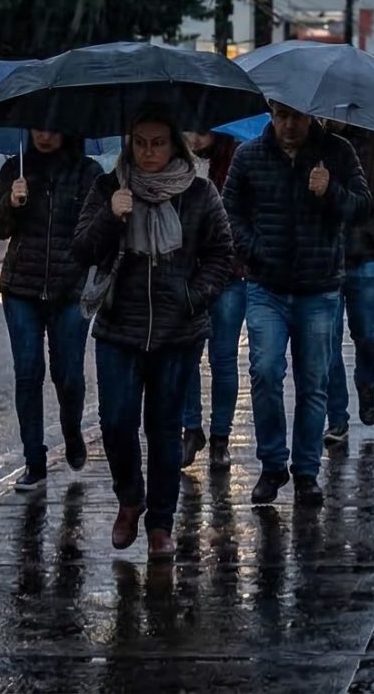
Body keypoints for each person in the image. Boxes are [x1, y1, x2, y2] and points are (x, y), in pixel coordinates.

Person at [72, 110, 236, 557]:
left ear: (174, 145)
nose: (148, 152)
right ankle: (130, 498)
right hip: (118, 329)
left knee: (165, 429)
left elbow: (222, 253)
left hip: (177, 332)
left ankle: (161, 524)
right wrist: (111, 215)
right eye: (140, 143)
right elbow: (82, 248)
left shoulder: (200, 193)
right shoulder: (110, 187)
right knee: (116, 422)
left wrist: (193, 297)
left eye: (158, 143)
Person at [223, 100, 368, 507]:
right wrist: (253, 249)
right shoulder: (249, 155)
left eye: (297, 117)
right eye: (282, 116)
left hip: (318, 288)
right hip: (266, 286)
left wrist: (330, 191)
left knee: (313, 383)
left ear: (312, 117)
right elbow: (229, 210)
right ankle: (272, 465)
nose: (289, 125)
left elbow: (361, 206)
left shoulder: (337, 152)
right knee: (265, 372)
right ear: (271, 114)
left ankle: (306, 472)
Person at [0, 127, 94, 490]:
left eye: (53, 129)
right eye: (37, 128)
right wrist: (11, 203)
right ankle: (34, 460)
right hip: (22, 288)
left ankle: (72, 430)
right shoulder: (14, 169)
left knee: (69, 375)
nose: (45, 136)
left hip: (69, 288)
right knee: (28, 372)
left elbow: (96, 232)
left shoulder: (87, 173)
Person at [325, 120, 374, 445]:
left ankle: (366, 381)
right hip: (322, 260)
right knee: (326, 343)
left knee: (369, 336)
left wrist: (371, 232)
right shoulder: (313, 143)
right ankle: (337, 419)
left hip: (366, 257)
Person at [180, 130, 245, 466]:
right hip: (188, 274)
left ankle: (221, 437)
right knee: (186, 355)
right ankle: (191, 428)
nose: (194, 135)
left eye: (202, 128)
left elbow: (246, 216)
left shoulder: (236, 160)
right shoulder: (177, 164)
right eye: (188, 128)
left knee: (222, 359)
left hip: (229, 275)